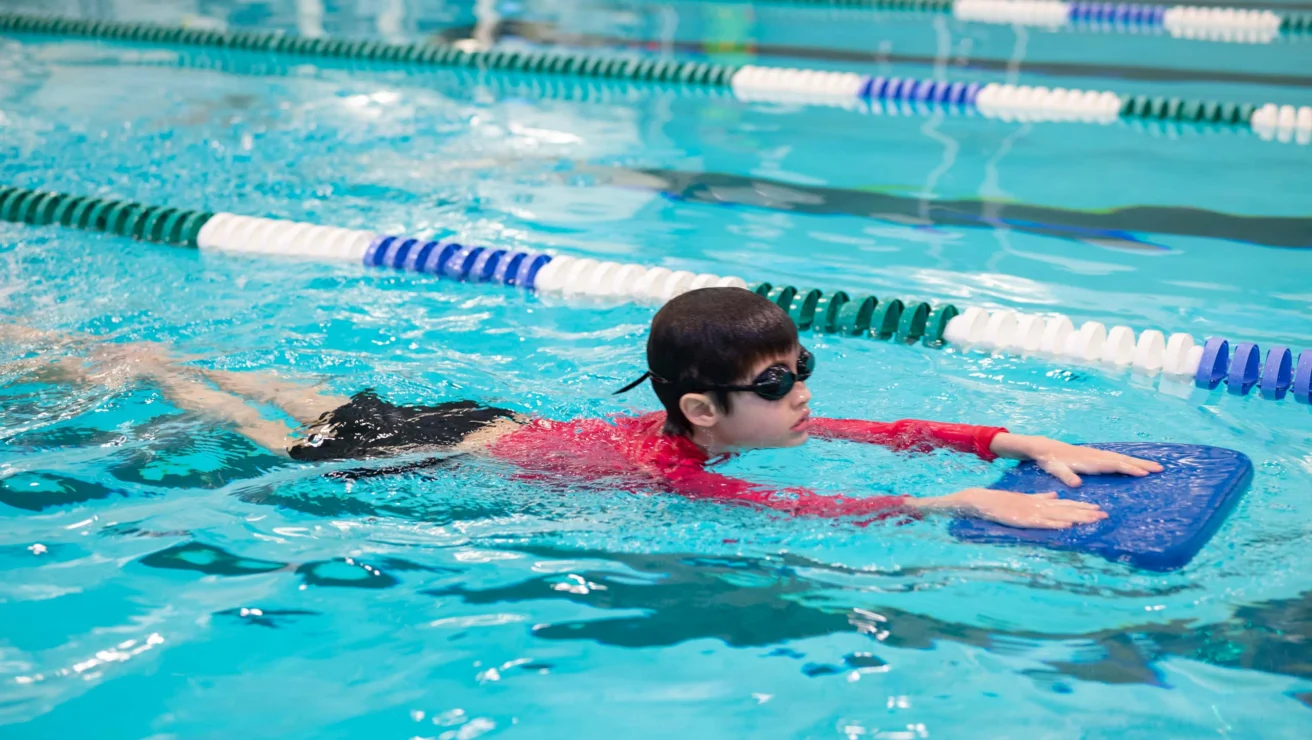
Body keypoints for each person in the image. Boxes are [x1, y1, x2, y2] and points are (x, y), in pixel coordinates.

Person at [0, 288, 1161, 528]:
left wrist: (1019, 439)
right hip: (411, 451)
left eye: (804, 369)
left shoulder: (704, 431)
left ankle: (109, 342)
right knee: (217, 411)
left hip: (472, 417)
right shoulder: (676, 472)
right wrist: (956, 500)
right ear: (702, 411)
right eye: (776, 385)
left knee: (251, 384)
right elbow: (815, 507)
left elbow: (886, 436)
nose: (805, 395)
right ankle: (118, 360)